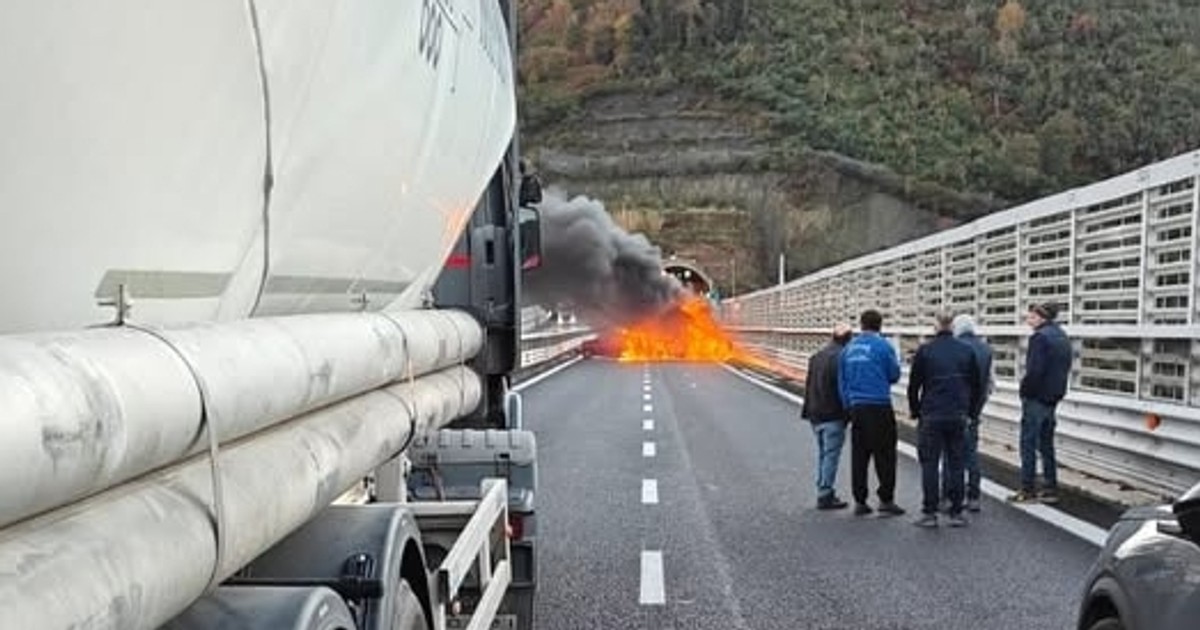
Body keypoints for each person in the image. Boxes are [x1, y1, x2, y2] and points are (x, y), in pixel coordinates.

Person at [908, 313, 982, 528]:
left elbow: (914, 386)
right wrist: (972, 413)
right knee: (956, 463)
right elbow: (976, 386)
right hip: (958, 414)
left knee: (930, 464)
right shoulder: (966, 350)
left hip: (931, 413)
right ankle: (956, 512)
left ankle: (929, 513)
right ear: (953, 326)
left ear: (935, 326)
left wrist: (915, 411)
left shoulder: (925, 350)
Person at [839, 309, 905, 517]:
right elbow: (894, 375)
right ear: (880, 325)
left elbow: (841, 382)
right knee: (885, 454)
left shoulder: (848, 349)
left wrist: (848, 406)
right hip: (879, 405)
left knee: (859, 455)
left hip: (856, 407)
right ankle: (886, 499)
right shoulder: (883, 346)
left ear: (861, 325)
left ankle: (860, 500)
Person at [1010, 303, 1073, 503]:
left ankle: (1027, 489)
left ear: (1040, 317)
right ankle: (1050, 487)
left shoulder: (1039, 338)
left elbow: (1034, 371)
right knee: (1046, 444)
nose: (1028, 320)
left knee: (1028, 443)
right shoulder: (1062, 336)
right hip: (1053, 397)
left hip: (1036, 397)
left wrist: (1024, 391)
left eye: (1031, 317)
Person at [943, 314, 993, 513]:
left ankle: (949, 496)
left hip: (954, 407)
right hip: (974, 408)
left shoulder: (953, 347)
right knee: (971, 452)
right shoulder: (986, 349)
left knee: (950, 454)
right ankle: (974, 496)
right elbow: (989, 383)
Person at [801, 324, 853, 510]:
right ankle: (825, 493)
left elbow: (808, 386)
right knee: (830, 455)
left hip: (815, 414)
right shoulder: (842, 357)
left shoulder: (816, 356)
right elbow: (844, 388)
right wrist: (849, 412)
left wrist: (807, 410)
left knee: (824, 453)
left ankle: (823, 488)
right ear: (848, 339)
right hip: (833, 414)